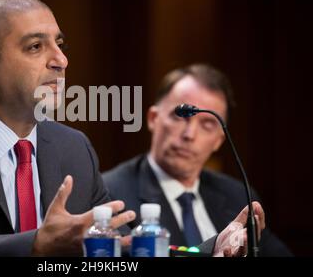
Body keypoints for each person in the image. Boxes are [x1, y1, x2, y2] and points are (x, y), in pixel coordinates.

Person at [0, 0, 264, 256]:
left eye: (59, 44)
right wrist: (35, 246)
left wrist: (212, 247)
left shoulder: (73, 148)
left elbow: (123, 251)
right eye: (35, 47)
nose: (61, 60)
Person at [103, 64, 292, 256]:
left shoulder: (239, 197)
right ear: (153, 118)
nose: (189, 134)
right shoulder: (110, 195)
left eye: (207, 124)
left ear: (218, 141)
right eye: (180, 116)